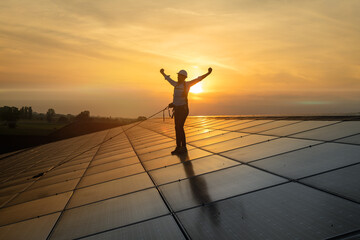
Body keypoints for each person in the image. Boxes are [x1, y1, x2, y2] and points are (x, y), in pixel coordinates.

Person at [160, 67, 212, 154]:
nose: (177, 77)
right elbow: (168, 79)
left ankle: (183, 147)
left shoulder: (187, 85)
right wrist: (162, 73)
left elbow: (198, 79)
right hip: (177, 109)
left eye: (179, 76)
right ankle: (178, 147)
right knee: (177, 128)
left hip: (183, 110)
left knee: (180, 127)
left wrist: (208, 73)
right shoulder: (175, 84)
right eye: (178, 76)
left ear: (184, 77)